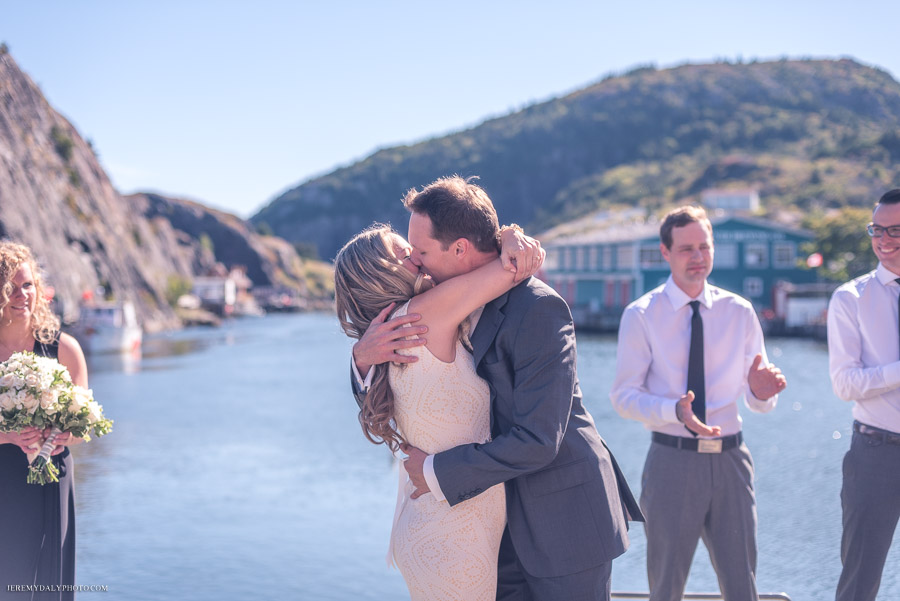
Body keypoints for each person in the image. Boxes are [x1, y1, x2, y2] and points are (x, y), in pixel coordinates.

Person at [352, 175, 642, 601]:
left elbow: (539, 439)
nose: (416, 261)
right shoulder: (448, 300)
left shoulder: (538, 307)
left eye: (422, 251)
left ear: (460, 249)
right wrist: (360, 357)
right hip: (493, 522)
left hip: (565, 521)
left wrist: (433, 472)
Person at [334, 219, 544, 601]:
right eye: (405, 252)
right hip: (453, 534)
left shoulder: (396, 329)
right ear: (381, 271)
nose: (417, 256)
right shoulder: (425, 313)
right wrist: (511, 236)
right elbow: (510, 267)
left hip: (443, 521)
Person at [610, 206, 786, 601]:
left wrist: (761, 392)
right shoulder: (641, 316)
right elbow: (623, 397)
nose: (698, 257)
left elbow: (759, 404)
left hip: (732, 462)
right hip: (672, 463)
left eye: (704, 247)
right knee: (666, 588)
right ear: (665, 252)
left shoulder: (739, 312)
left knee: (743, 586)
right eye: (686, 248)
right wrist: (675, 411)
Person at [0, 242, 87, 600]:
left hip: (52, 477)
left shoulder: (65, 349)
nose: (21, 295)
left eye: (28, 285)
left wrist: (66, 434)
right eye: (10, 287)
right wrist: (9, 436)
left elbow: (83, 427)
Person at [828, 189, 900, 601]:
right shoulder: (849, 299)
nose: (883, 239)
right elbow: (844, 384)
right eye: (877, 229)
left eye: (894, 229)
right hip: (876, 453)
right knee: (859, 584)